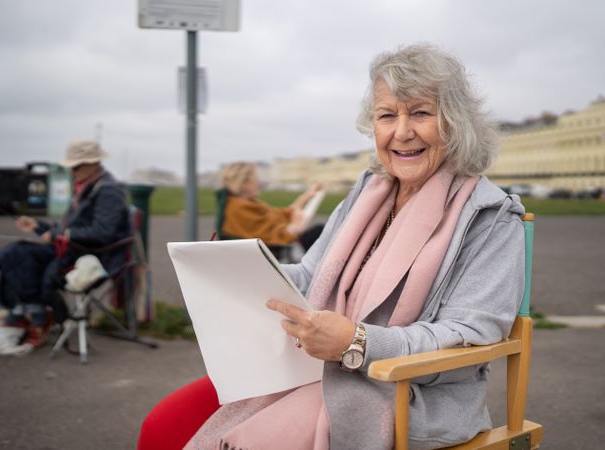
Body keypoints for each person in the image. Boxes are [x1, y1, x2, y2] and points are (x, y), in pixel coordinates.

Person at [139, 43, 526, 450]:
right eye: (387, 115)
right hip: (311, 367)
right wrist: (234, 274)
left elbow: (471, 334)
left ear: (455, 122)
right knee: (162, 426)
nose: (402, 131)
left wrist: (357, 342)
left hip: (405, 394)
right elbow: (309, 276)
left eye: (421, 112)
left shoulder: (492, 217)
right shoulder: (368, 191)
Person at [0, 140, 131, 352]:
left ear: (93, 163)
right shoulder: (87, 186)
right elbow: (71, 228)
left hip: (91, 255)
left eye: (76, 166)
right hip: (73, 249)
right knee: (14, 254)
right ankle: (29, 312)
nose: (72, 171)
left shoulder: (108, 191)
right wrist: (38, 226)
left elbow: (103, 233)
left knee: (20, 256)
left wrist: (60, 233)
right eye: (71, 166)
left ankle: (35, 317)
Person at [219, 161, 324, 251]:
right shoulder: (240, 208)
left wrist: (307, 196)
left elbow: (283, 213)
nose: (259, 183)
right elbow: (274, 239)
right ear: (244, 183)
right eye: (255, 180)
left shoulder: (247, 203)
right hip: (279, 251)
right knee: (320, 231)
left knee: (320, 230)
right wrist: (296, 225)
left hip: (280, 246)